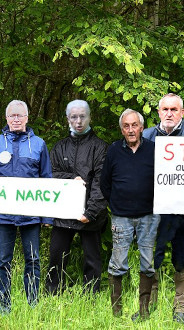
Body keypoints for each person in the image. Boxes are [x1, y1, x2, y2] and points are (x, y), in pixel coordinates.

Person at [0, 100, 51, 312]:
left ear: (27, 118)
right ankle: (4, 306)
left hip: (31, 216)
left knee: (33, 260)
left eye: (20, 115)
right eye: (12, 115)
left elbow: (46, 179)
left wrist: (47, 216)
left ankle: (32, 304)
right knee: (4, 261)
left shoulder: (39, 144)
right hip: (3, 216)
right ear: (6, 118)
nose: (16, 119)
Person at [45, 100, 108, 296]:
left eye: (82, 116)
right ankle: (53, 293)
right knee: (56, 255)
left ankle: (90, 295)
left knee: (92, 258)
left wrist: (91, 212)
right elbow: (50, 175)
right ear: (67, 119)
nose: (78, 121)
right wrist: (72, 178)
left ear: (90, 117)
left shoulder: (100, 147)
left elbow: (102, 182)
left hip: (91, 214)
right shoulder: (59, 147)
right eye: (74, 117)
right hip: (63, 213)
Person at [101, 109, 158, 321]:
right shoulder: (114, 150)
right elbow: (104, 183)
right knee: (118, 262)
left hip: (149, 216)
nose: (131, 129)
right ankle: (116, 312)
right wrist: (117, 202)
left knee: (147, 262)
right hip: (121, 217)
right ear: (122, 129)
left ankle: (144, 311)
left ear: (142, 127)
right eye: (127, 126)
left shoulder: (153, 149)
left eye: (135, 125)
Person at [142, 93, 184, 322]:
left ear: (182, 112)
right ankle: (148, 307)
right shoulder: (146, 136)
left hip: (183, 210)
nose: (169, 113)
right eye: (165, 109)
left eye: (174, 109)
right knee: (151, 258)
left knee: (182, 259)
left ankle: (180, 310)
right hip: (153, 209)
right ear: (159, 112)